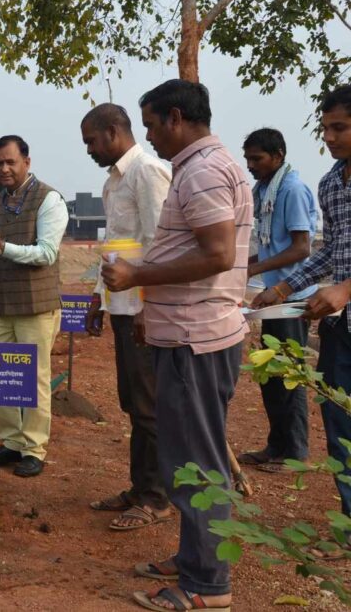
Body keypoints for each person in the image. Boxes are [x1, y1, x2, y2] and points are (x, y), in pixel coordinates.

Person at [102, 79, 251, 612]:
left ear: (176, 118)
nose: (149, 136)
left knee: (198, 460)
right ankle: (194, 558)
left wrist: (138, 275)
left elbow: (217, 255)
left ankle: (207, 585)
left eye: (150, 125)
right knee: (188, 458)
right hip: (189, 333)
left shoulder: (204, 171)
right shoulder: (197, 168)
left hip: (196, 339)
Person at [252, 84, 351, 517]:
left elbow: (303, 247)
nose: (328, 137)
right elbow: (329, 252)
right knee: (338, 422)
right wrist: (282, 289)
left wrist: (345, 288)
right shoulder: (330, 183)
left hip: (340, 302)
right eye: (325, 128)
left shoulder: (293, 189)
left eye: (340, 128)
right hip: (339, 325)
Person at [81, 104, 172, 530]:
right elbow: (117, 247)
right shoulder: (113, 181)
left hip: (143, 312)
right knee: (134, 403)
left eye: (91, 141)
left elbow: (160, 245)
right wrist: (98, 299)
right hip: (122, 307)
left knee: (149, 406)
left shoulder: (147, 172)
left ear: (113, 131)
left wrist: (149, 307)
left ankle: (156, 498)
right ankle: (140, 488)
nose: (89, 150)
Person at [0, 135, 68, 479]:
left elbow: (46, 254)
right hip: (0, 304)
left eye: (10, 162)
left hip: (36, 305)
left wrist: (0, 246)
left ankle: (34, 448)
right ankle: (10, 442)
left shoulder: (49, 199)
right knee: (1, 375)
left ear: (27, 161)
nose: (3, 168)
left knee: (35, 378)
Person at [238, 129, 316, 474]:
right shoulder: (267, 191)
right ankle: (276, 445)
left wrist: (254, 268)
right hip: (275, 297)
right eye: (248, 158)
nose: (251, 165)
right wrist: (244, 264)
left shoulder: (292, 190)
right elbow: (274, 246)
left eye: (257, 158)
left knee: (289, 376)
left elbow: (301, 248)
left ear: (278, 156)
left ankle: (295, 453)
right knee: (271, 374)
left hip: (291, 297)